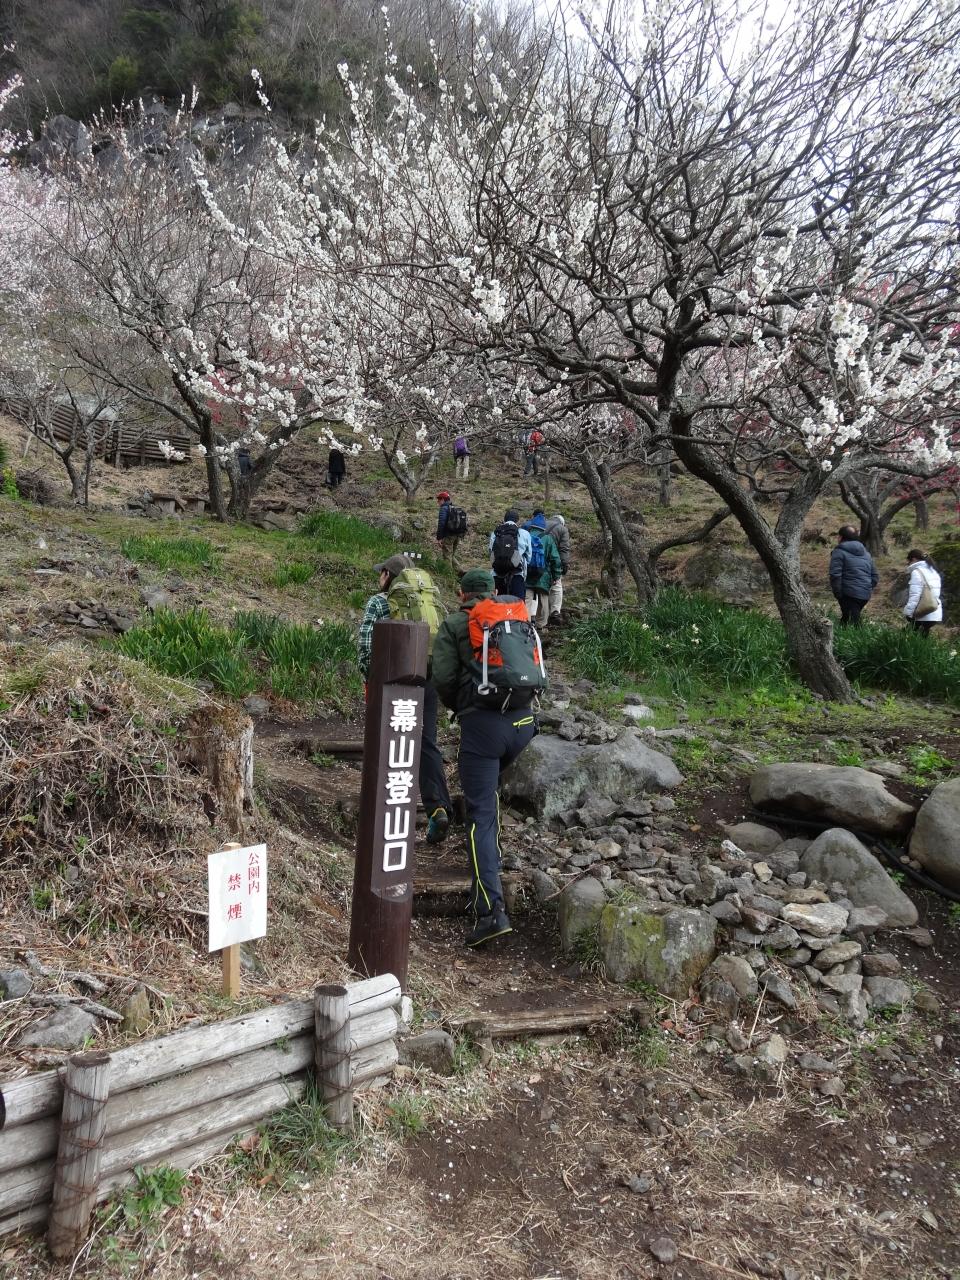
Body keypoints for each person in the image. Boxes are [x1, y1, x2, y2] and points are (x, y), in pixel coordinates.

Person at [431, 568, 539, 946]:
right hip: (524, 723)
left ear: (462, 594)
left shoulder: (456, 624)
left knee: (480, 816)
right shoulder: (512, 618)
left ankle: (490, 911)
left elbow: (443, 678)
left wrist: (461, 707)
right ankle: (492, 873)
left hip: (483, 729)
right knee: (489, 803)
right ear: (492, 592)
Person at [357, 553, 452, 843]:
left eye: (381, 572)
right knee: (425, 742)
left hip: (392, 682)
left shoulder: (379, 602)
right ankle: (437, 808)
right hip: (427, 677)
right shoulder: (429, 602)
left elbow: (365, 645)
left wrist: (369, 677)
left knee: (386, 741)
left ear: (387, 575)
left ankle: (380, 813)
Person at [829, 526, 879, 626]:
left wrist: (838, 593)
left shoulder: (839, 552)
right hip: (864, 595)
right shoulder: (866, 554)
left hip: (848, 594)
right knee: (847, 620)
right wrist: (866, 588)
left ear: (840, 537)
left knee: (853, 624)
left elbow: (835, 574)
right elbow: (875, 576)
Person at [523, 511, 562, 629]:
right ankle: (541, 625)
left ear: (532, 525)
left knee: (527, 599)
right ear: (543, 527)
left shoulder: (525, 536)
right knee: (543, 599)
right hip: (543, 575)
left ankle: (525, 624)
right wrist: (556, 575)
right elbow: (555, 559)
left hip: (528, 573)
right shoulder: (548, 539)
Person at [489, 508, 532, 598]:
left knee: (498, 602)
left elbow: (491, 551)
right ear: (517, 521)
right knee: (517, 603)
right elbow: (528, 557)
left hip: (497, 573)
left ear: (504, 519)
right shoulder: (524, 534)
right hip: (517, 573)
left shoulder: (496, 532)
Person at [903, 549, 943, 635]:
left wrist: (909, 613)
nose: (908, 564)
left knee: (906, 635)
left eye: (909, 561)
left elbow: (915, 595)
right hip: (934, 611)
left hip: (922, 613)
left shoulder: (917, 572)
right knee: (923, 636)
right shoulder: (933, 571)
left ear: (913, 559)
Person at [544, 512, 570, 623]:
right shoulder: (562, 529)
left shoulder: (541, 525)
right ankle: (555, 612)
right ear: (562, 523)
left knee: (541, 588)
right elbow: (564, 549)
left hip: (537, 562)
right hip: (552, 561)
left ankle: (541, 616)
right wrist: (564, 564)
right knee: (557, 586)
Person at [436, 490, 465, 575]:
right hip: (457, 535)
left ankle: (448, 575)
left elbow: (441, 523)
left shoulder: (444, 508)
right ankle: (460, 572)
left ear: (443, 500)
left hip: (449, 536)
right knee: (451, 555)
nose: (438, 501)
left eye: (439, 499)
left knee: (447, 556)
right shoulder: (454, 508)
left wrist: (439, 538)